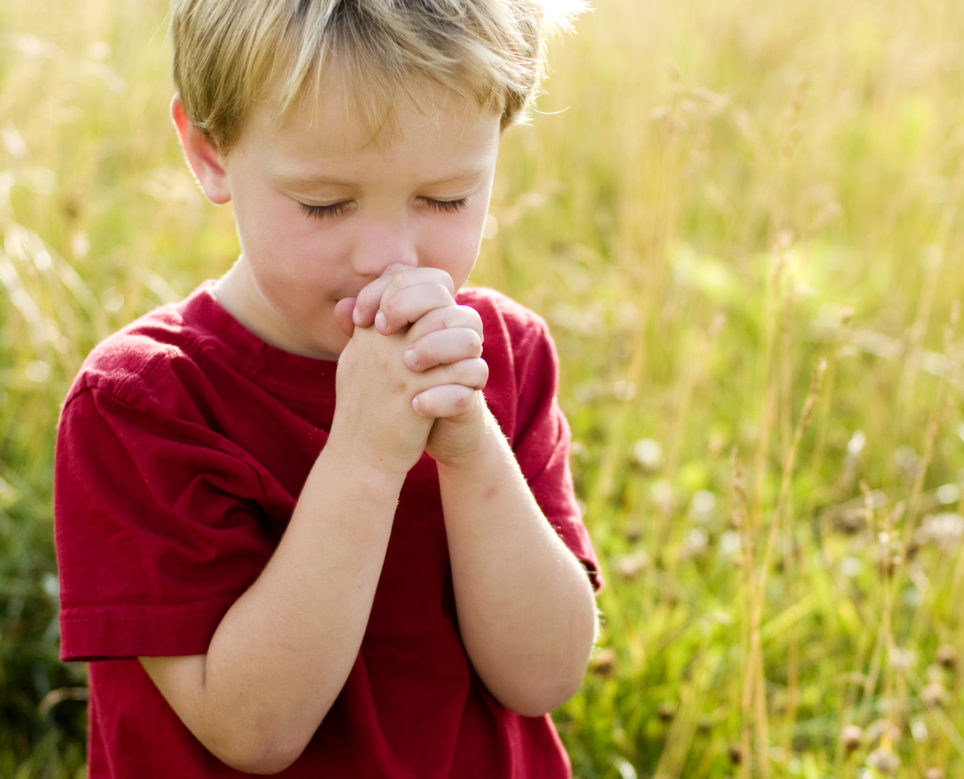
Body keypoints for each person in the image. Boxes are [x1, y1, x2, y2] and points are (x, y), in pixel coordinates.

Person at [52, 0, 602, 775]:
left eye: (445, 197)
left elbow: (544, 673)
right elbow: (252, 731)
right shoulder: (143, 402)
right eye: (324, 204)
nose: (388, 254)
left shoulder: (501, 358)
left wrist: (472, 449)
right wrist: (367, 458)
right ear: (209, 154)